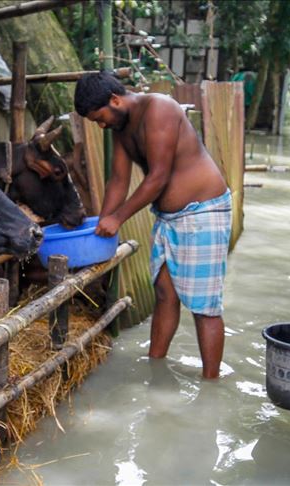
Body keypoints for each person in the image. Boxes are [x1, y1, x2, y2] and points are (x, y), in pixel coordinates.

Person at [74, 72, 231, 379]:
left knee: (204, 305)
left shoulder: (160, 109)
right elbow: (118, 180)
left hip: (203, 214)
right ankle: (155, 368)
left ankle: (210, 386)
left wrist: (117, 218)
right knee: (164, 294)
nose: (101, 125)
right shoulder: (120, 127)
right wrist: (100, 227)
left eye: (99, 118)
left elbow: (158, 177)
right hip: (169, 218)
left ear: (115, 100)